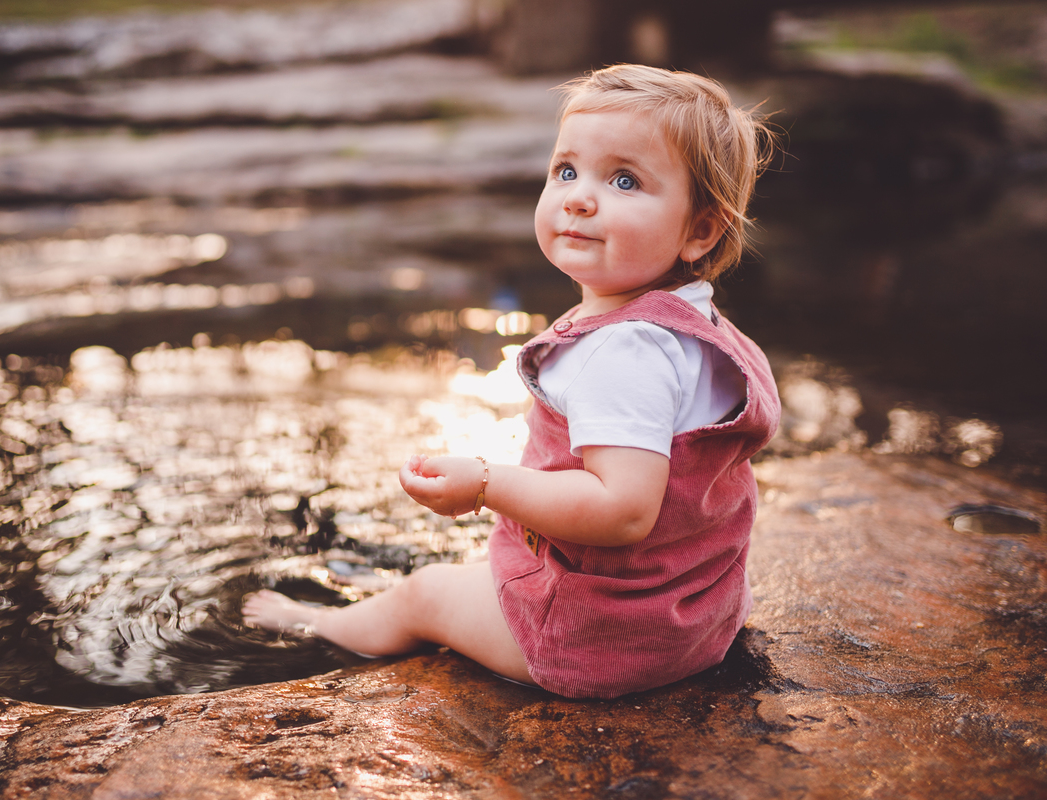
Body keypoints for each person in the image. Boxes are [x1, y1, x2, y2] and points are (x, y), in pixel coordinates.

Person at [243, 64, 781, 699]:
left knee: (426, 593)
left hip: (604, 641)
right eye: (567, 171)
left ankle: (321, 623)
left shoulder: (625, 352)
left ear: (698, 230)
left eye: (625, 180)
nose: (580, 197)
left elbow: (624, 510)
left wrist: (487, 484)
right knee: (485, 570)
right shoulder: (696, 322)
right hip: (694, 607)